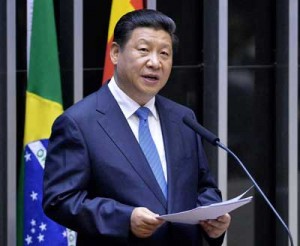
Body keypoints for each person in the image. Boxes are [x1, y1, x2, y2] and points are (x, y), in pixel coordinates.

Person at [43, 9, 231, 246]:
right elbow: (60, 199)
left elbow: (203, 186)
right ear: (115, 53)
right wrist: (125, 218)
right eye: (143, 50)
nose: (155, 62)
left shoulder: (182, 118)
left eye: (164, 53)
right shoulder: (79, 122)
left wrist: (212, 219)